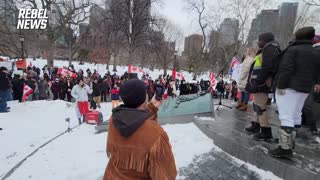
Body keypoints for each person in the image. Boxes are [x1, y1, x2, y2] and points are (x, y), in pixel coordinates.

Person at [102, 79, 177, 180]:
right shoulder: (156, 135)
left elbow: (133, 120)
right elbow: (167, 175)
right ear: (144, 97)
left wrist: (152, 107)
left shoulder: (114, 119)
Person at [269, 27, 320, 158]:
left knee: (286, 115)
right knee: (296, 114)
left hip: (289, 87)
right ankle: (289, 142)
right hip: (305, 88)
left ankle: (285, 147)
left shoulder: (293, 50)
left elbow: (286, 69)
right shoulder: (315, 52)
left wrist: (280, 86)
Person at [245, 32, 281, 141]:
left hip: (263, 84)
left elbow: (267, 68)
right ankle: (256, 124)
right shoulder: (270, 49)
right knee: (257, 105)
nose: (258, 42)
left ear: (265, 40)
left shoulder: (270, 50)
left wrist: (258, 81)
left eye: (259, 40)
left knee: (260, 106)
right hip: (262, 83)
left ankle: (265, 131)